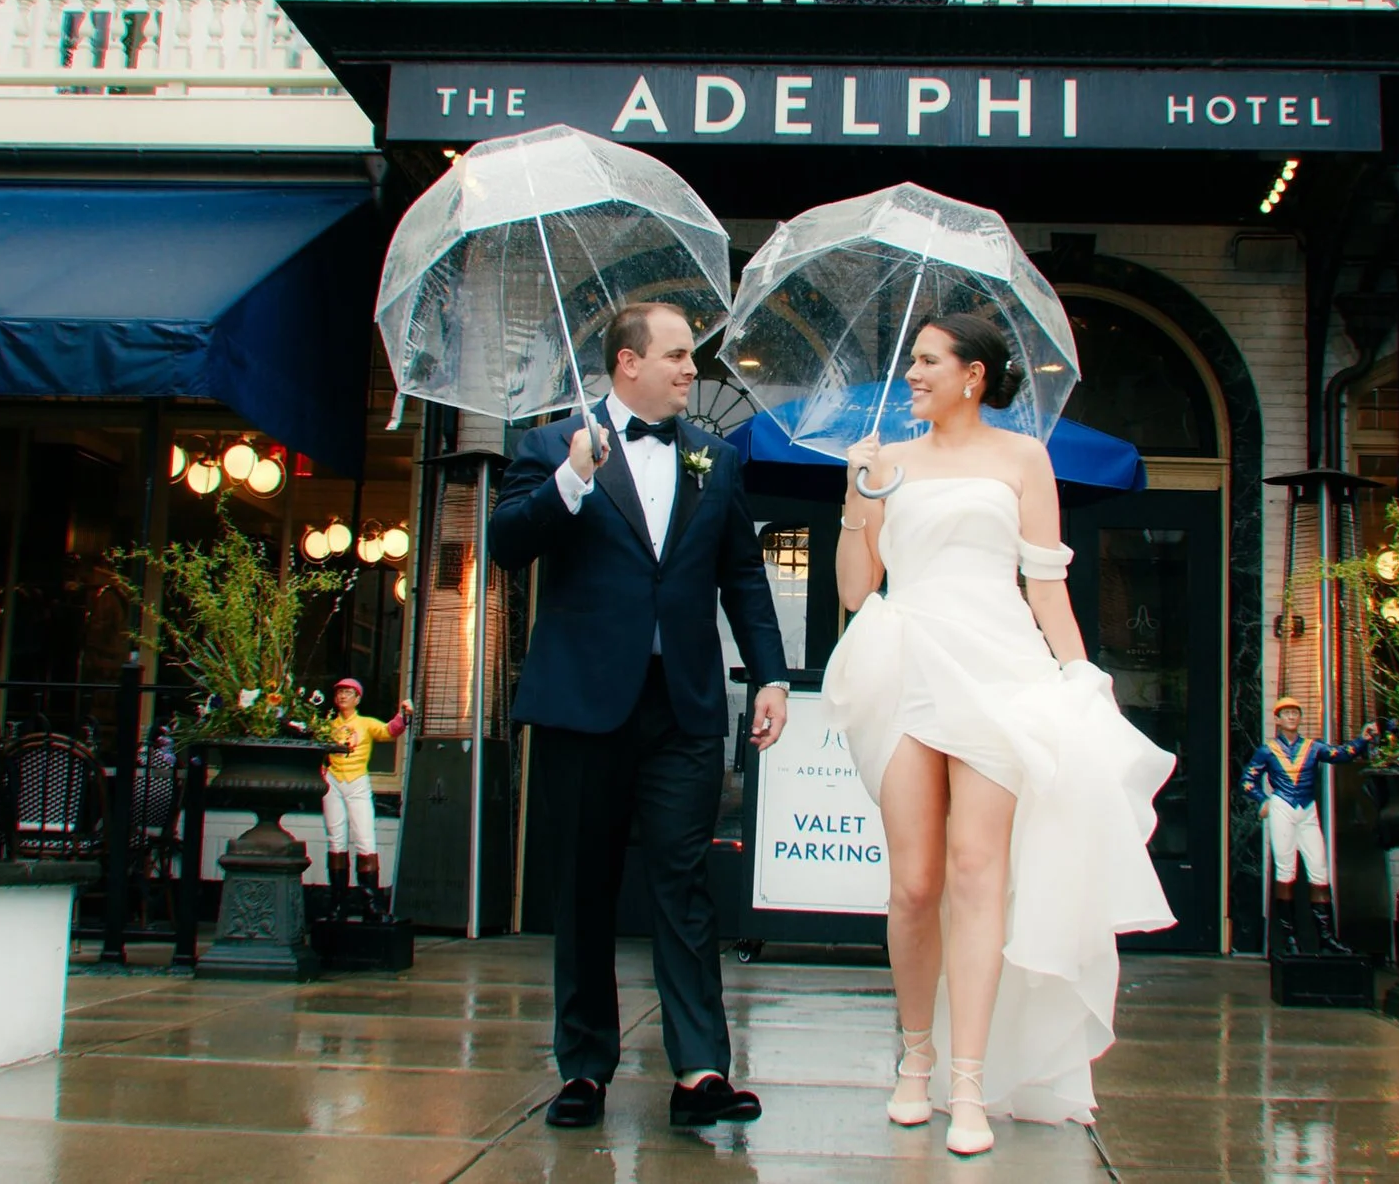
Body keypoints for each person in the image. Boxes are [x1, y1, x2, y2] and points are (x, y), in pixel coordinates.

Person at [822, 313, 1176, 1158]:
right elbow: (852, 590)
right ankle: (916, 1062)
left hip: (999, 668)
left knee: (980, 873)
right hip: (905, 660)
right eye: (913, 360)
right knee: (914, 883)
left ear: (973, 375)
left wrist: (1081, 680)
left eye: (926, 361)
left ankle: (970, 1081)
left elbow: (1046, 585)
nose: (911, 373)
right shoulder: (888, 463)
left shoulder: (1024, 459)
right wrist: (853, 498)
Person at [489, 299, 792, 1132]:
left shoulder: (715, 459)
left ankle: (700, 1070)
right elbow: (505, 544)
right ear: (628, 363)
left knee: (683, 884)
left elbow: (744, 579)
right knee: (583, 888)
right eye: (679, 356)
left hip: (685, 707)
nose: (693, 370)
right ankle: (584, 1068)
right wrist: (572, 479)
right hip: (582, 708)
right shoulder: (551, 448)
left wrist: (769, 677)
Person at [1242, 696, 1377, 955]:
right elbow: (1247, 780)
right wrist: (1262, 799)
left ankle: (1325, 938)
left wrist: (1363, 740)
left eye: (1296, 713)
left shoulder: (1312, 748)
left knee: (1319, 869)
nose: (1292, 717)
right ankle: (1288, 937)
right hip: (1282, 806)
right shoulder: (1267, 750)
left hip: (1306, 809)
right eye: (1287, 713)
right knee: (1285, 871)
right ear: (1278, 719)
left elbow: (1340, 754)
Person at [321, 678, 407, 919]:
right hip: (333, 781)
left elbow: (389, 731)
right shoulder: (327, 726)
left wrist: (403, 714)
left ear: (357, 698)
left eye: (348, 693)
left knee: (365, 838)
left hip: (357, 781)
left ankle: (371, 902)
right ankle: (338, 903)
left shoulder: (366, 724)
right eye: (339, 692)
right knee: (335, 839)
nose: (342, 697)